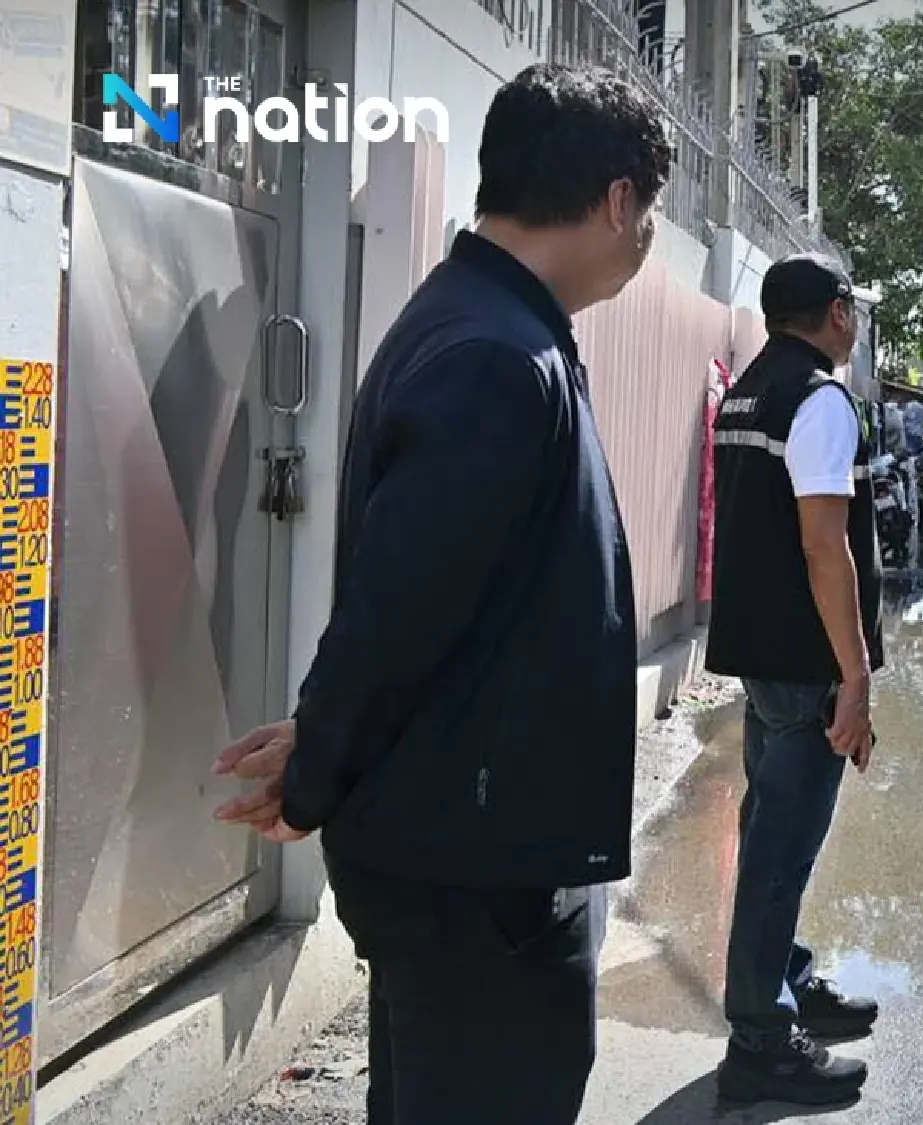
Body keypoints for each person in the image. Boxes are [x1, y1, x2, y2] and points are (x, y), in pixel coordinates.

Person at [208, 64, 673, 1125]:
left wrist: (328, 741)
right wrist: (319, 764)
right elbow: (399, 612)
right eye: (645, 211)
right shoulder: (499, 357)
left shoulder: (485, 323)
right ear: (614, 202)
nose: (643, 237)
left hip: (467, 848)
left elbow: (423, 592)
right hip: (479, 873)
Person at [705, 253, 882, 1107]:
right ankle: (763, 1036)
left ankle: (786, 976)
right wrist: (855, 676)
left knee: (773, 832)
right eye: (854, 311)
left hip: (762, 654)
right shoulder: (818, 399)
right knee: (780, 850)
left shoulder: (747, 390)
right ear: (836, 313)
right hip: (805, 664)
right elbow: (824, 545)